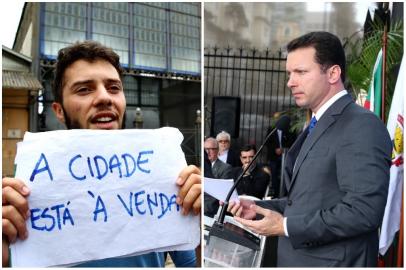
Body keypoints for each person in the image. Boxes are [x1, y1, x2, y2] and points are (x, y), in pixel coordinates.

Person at [2, 41, 201, 267]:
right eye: (84, 89)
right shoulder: (25, 190)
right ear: (59, 110)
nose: (105, 97)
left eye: (114, 88)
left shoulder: (166, 174)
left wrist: (199, 220)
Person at [227, 31, 392, 267]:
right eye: (289, 73)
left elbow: (363, 211)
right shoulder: (315, 125)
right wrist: (258, 207)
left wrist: (284, 226)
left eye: (301, 72)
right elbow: (304, 203)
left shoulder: (361, 125)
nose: (290, 82)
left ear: (333, 73)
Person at [266, 113, 294, 198]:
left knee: (285, 174)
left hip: (284, 156)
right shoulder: (271, 129)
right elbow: (268, 142)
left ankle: (284, 193)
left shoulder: (288, 130)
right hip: (274, 157)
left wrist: (284, 148)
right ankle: (275, 193)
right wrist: (275, 149)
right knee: (274, 175)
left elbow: (292, 141)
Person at [203, 137, 232, 217]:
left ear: (217, 150)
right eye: (206, 149)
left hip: (211, 211)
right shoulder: (201, 166)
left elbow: (220, 194)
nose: (208, 152)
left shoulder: (226, 168)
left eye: (211, 149)